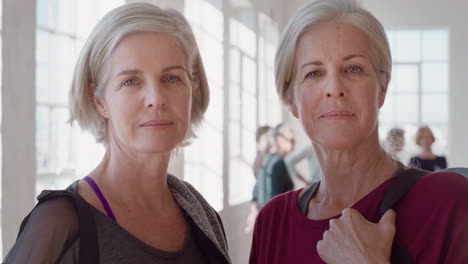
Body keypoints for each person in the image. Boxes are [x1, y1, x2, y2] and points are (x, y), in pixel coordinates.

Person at [4, 3, 230, 263]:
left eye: (171, 78)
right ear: (98, 99)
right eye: (130, 81)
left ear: (194, 88)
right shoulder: (59, 224)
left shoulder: (201, 213)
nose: (155, 99)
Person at [249, 0, 468, 263]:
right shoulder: (273, 221)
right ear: (291, 99)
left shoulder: (446, 201)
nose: (334, 87)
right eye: (314, 73)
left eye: (353, 69)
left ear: (382, 87)